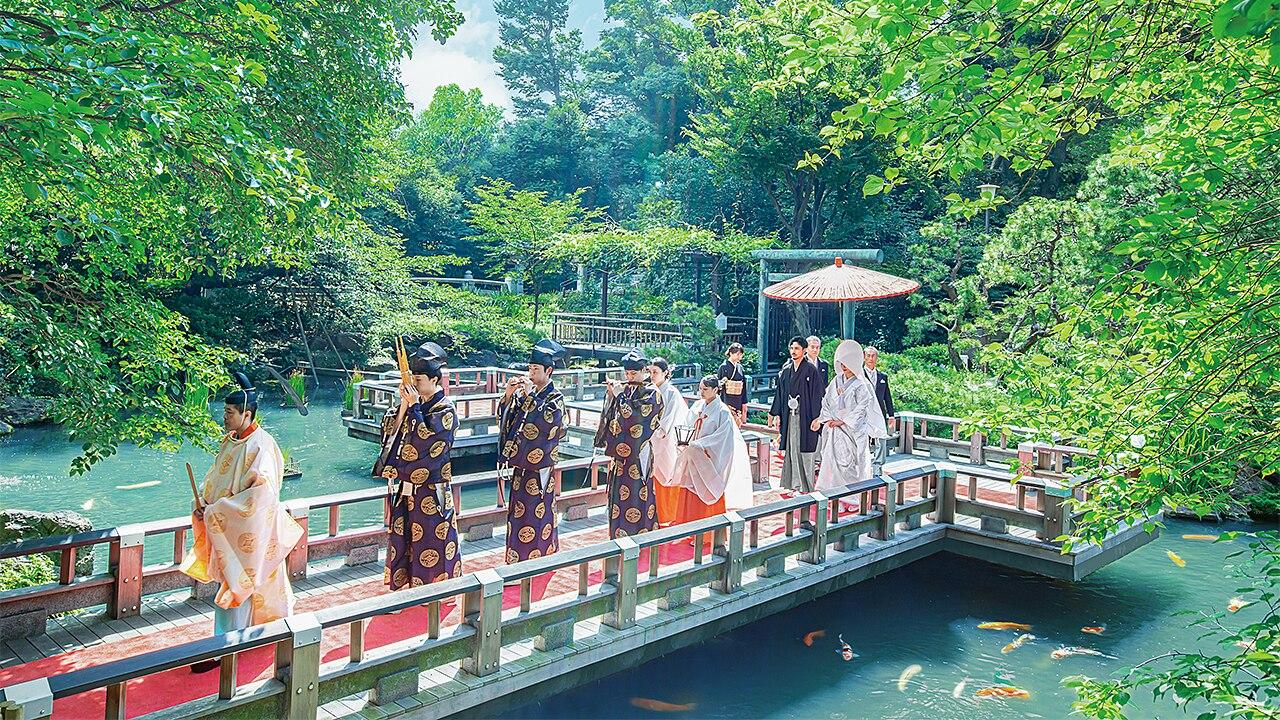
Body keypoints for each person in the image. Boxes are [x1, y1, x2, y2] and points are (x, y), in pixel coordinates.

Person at [182, 372, 303, 672]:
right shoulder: (231, 441)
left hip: (252, 527)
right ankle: (248, 638)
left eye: (229, 412)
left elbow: (261, 496)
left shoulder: (261, 446)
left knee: (240, 584)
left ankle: (226, 648)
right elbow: (215, 478)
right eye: (224, 411)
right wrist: (204, 506)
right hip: (230, 525)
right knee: (248, 583)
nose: (224, 417)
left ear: (246, 414)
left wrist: (216, 511)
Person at [378, 342, 461, 589]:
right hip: (406, 485)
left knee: (432, 538)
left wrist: (414, 407)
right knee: (403, 538)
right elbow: (390, 435)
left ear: (436, 380)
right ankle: (404, 585)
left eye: (420, 379)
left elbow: (427, 443)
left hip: (430, 486)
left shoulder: (445, 409)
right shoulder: (410, 404)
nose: (415, 384)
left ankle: (436, 589)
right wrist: (404, 406)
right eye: (413, 379)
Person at [498, 339, 568, 563]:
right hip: (521, 463)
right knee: (519, 510)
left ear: (549, 371)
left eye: (535, 369)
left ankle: (540, 553)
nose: (531, 373)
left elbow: (550, 424)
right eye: (529, 368)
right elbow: (509, 421)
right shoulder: (524, 395)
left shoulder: (555, 398)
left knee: (537, 508)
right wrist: (509, 396)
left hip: (540, 464)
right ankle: (517, 555)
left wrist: (532, 398)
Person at [663, 376, 754, 526]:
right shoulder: (698, 406)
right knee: (690, 490)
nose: (701, 392)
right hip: (693, 454)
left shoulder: (723, 411)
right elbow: (687, 424)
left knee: (708, 490)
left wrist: (700, 444)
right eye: (700, 388)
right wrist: (684, 440)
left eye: (705, 389)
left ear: (716, 390)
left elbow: (722, 438)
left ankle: (707, 533)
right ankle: (688, 528)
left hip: (709, 457)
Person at [596, 349, 664, 538]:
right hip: (620, 452)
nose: (629, 377)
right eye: (627, 373)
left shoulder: (653, 393)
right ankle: (617, 533)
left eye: (633, 373)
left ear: (645, 371)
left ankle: (641, 534)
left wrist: (619, 397)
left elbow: (636, 420)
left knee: (637, 492)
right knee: (618, 494)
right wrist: (611, 396)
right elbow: (614, 416)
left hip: (638, 451)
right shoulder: (625, 390)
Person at [814, 341, 887, 490]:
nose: (843, 365)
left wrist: (843, 421)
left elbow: (863, 407)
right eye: (842, 362)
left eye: (847, 362)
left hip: (853, 430)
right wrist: (826, 419)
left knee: (852, 463)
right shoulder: (836, 380)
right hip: (834, 428)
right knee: (833, 463)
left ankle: (853, 497)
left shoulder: (861, 384)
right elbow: (826, 400)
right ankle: (835, 496)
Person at [769, 336, 825, 494]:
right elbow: (780, 393)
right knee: (792, 449)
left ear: (804, 350)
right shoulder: (786, 371)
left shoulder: (811, 370)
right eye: (791, 348)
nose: (793, 351)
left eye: (797, 348)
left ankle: (806, 485)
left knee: (805, 452)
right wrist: (774, 413)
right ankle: (793, 484)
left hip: (806, 415)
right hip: (790, 415)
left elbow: (817, 394)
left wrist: (817, 418)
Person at [648, 357, 688, 526]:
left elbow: (667, 421)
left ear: (665, 373)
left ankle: (668, 516)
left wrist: (652, 430)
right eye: (650, 372)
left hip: (666, 441)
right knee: (651, 476)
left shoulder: (671, 393)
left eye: (655, 372)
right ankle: (654, 515)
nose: (652, 375)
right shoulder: (649, 390)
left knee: (667, 475)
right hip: (651, 441)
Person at [863, 346, 895, 429]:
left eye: (873, 356)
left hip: (880, 413)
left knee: (880, 439)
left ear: (876, 358)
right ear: (864, 357)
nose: (871, 358)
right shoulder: (859, 375)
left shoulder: (883, 376)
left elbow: (887, 397)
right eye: (868, 355)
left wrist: (891, 415)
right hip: (864, 413)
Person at [716, 343, 748, 426]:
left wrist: (744, 402)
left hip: (738, 398)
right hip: (726, 398)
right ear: (731, 353)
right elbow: (719, 385)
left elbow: (744, 385)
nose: (739, 357)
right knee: (726, 422)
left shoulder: (740, 367)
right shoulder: (724, 367)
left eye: (741, 355)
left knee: (737, 422)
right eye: (737, 354)